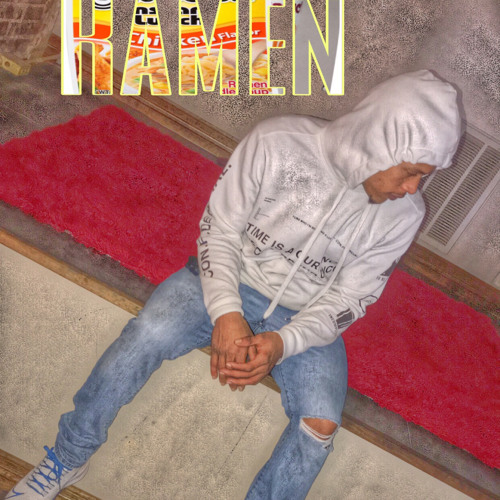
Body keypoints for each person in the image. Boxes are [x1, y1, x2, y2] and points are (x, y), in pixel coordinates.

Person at [7, 69, 461, 500]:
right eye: (410, 171)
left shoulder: (405, 215)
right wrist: (226, 312)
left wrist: (283, 343)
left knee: (320, 424)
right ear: (377, 144)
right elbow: (219, 230)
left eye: (424, 176)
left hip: (306, 315)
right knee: (148, 332)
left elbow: (351, 299)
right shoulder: (278, 141)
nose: (413, 187)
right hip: (229, 276)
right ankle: (67, 459)